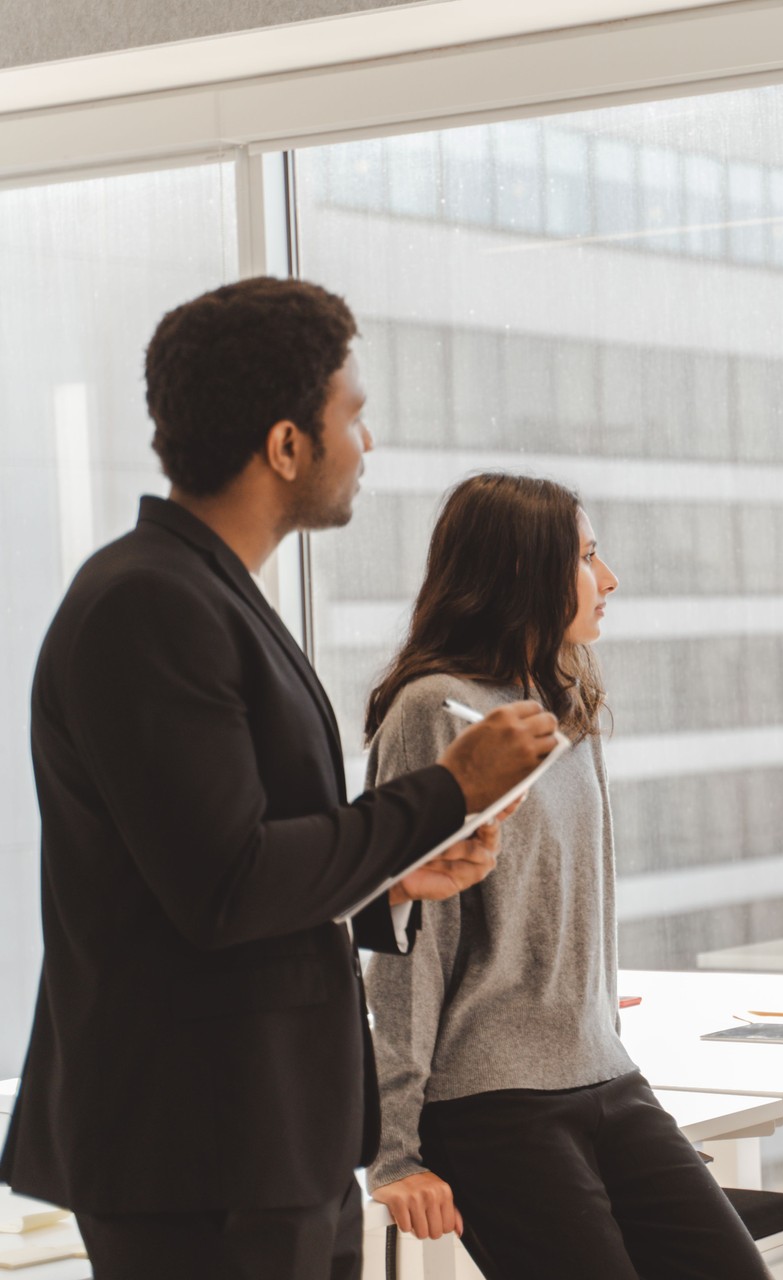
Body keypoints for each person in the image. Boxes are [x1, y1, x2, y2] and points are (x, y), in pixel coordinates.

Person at [0, 277, 557, 1280]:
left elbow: (222, 866)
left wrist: (389, 881)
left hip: (254, 1142)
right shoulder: (148, 605)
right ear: (286, 444)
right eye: (354, 413)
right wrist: (448, 790)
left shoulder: (199, 593)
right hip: (201, 1150)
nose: (367, 443)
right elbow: (226, 884)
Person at [360, 473, 769, 1280]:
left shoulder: (563, 701)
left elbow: (590, 897)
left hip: (603, 1070)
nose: (608, 578)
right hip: (490, 1101)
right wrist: (394, 1148)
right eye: (586, 556)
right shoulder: (436, 711)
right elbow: (406, 935)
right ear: (522, 573)